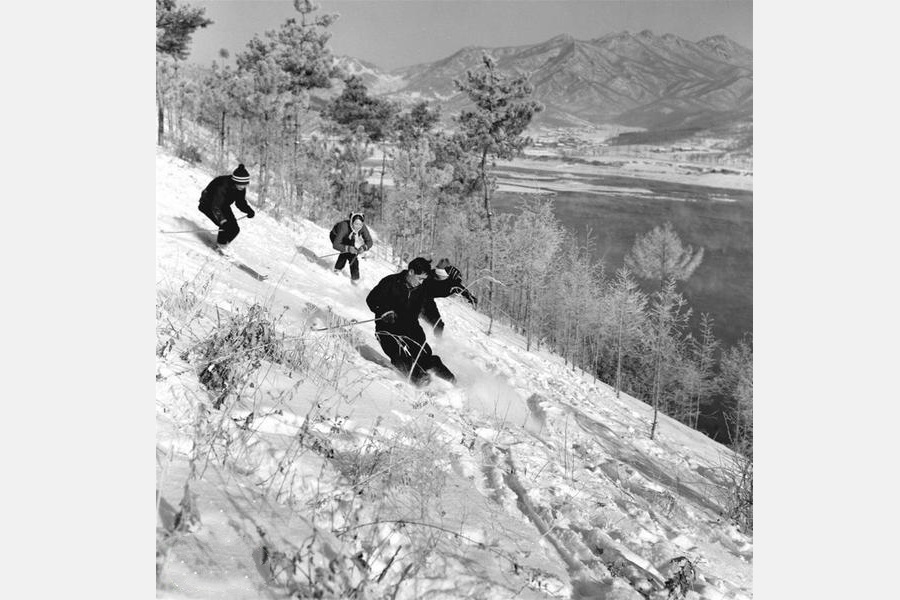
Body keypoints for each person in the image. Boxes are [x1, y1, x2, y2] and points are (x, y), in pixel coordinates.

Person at [366, 257, 457, 386]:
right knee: (397, 354)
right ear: (411, 272)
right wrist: (384, 311)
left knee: (424, 355)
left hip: (411, 326)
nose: (420, 282)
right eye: (420, 278)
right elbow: (372, 299)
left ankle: (449, 380)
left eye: (423, 280)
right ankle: (419, 379)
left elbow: (437, 294)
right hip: (387, 326)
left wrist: (452, 283)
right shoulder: (391, 282)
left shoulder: (421, 288)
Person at [197, 163, 256, 252]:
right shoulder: (222, 185)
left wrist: (248, 210)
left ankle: (221, 245)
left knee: (235, 229)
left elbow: (240, 202)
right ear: (235, 181)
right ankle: (220, 247)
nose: (243, 186)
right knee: (226, 226)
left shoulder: (240, 188)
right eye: (241, 184)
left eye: (245, 184)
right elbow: (215, 205)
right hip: (208, 204)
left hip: (223, 205)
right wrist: (223, 220)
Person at [420, 258, 478, 337]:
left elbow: (463, 290)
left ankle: (438, 343)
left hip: (427, 301)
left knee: (439, 325)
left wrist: (471, 298)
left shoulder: (453, 284)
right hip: (417, 297)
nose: (438, 276)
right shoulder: (431, 275)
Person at [329, 212, 373, 284]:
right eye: (356, 224)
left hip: (349, 236)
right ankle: (337, 270)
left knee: (352, 255)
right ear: (352, 222)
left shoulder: (363, 227)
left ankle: (355, 278)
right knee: (346, 252)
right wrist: (348, 248)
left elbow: (369, 241)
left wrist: (364, 247)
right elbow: (336, 245)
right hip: (336, 236)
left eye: (360, 224)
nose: (358, 226)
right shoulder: (344, 227)